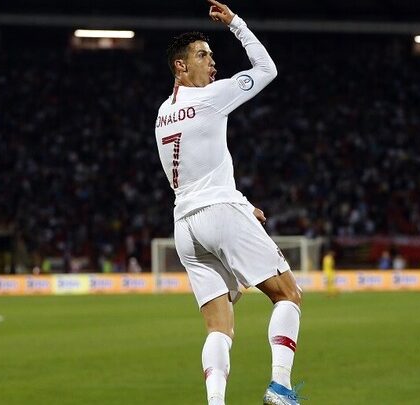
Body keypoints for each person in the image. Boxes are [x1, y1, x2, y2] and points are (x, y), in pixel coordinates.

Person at [155, 2, 302, 404]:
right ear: (180, 67)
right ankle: (281, 386)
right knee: (288, 294)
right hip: (219, 213)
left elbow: (193, 171)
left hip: (185, 226)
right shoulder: (211, 97)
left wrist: (240, 201)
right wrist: (236, 24)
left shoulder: (163, 114)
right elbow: (267, 69)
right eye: (203, 55)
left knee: (218, 327)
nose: (212, 63)